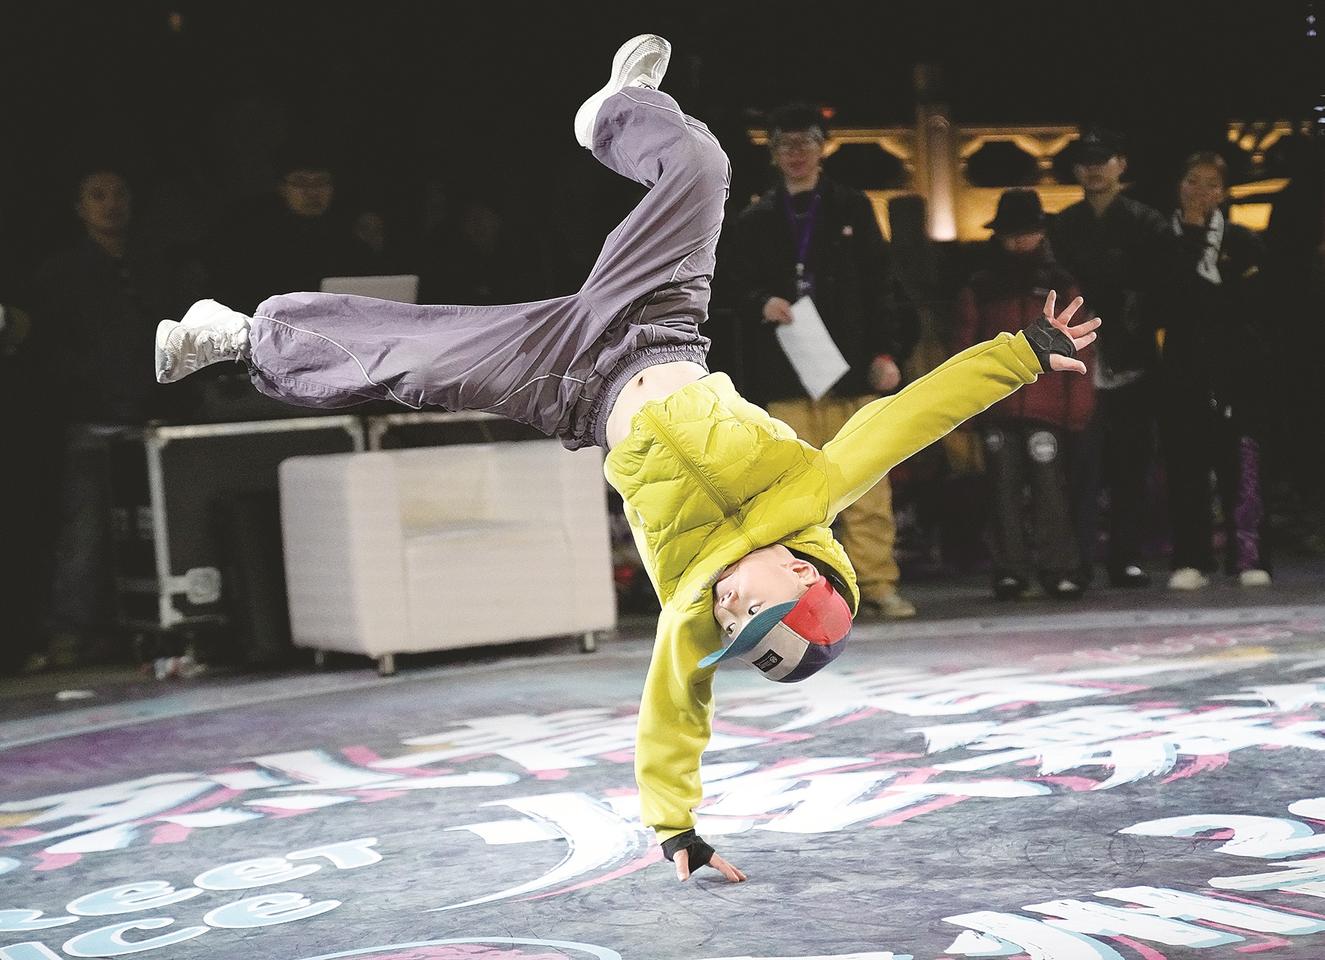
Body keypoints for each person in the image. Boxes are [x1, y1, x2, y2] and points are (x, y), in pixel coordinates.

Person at [154, 35, 1099, 883]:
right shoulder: (813, 490)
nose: (728, 610)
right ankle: (619, 111)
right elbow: (913, 414)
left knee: (416, 361)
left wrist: (674, 825)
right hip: (656, 326)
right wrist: (1023, 352)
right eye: (754, 607)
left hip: (569, 385)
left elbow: (674, 711)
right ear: (802, 572)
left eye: (734, 628)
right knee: (705, 167)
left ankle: (234, 337)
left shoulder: (690, 604)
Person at [725, 102, 920, 618]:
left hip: (851, 367)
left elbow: (882, 285)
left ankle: (876, 582)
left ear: (822, 148)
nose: (796, 153)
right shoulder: (755, 218)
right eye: (785, 145)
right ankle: (797, 593)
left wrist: (887, 352)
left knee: (867, 484)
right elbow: (732, 288)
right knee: (790, 493)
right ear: (773, 153)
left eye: (806, 142)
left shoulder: (852, 208)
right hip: (785, 375)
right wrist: (760, 302)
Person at [954, 190, 1094, 599]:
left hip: (1047, 406)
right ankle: (1011, 569)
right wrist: (965, 406)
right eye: (1012, 232)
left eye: (1027, 231)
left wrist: (1078, 407)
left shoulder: (1060, 283)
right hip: (998, 405)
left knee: (1052, 490)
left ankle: (1059, 567)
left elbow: (1080, 344)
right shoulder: (981, 285)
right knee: (1001, 488)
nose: (1020, 240)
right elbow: (965, 348)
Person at [1049, 126, 1172, 589]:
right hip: (1078, 362)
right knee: (1079, 467)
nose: (1094, 169)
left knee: (1131, 463)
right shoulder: (1062, 227)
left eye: (1103, 160)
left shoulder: (1147, 223)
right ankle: (1076, 561)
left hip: (1133, 358)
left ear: (1121, 164)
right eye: (1086, 161)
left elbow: (1163, 290)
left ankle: (1126, 556)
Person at [1157, 152, 1272, 589]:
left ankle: (1249, 556)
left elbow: (1252, 304)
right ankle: (1191, 559)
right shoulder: (1161, 240)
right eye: (1192, 181)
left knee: (1239, 463)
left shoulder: (1243, 241)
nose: (1200, 191)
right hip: (1181, 367)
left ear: (1223, 193)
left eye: (1210, 184)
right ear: (1178, 186)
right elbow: (1164, 301)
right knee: (1186, 465)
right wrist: (1190, 243)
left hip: (1235, 369)